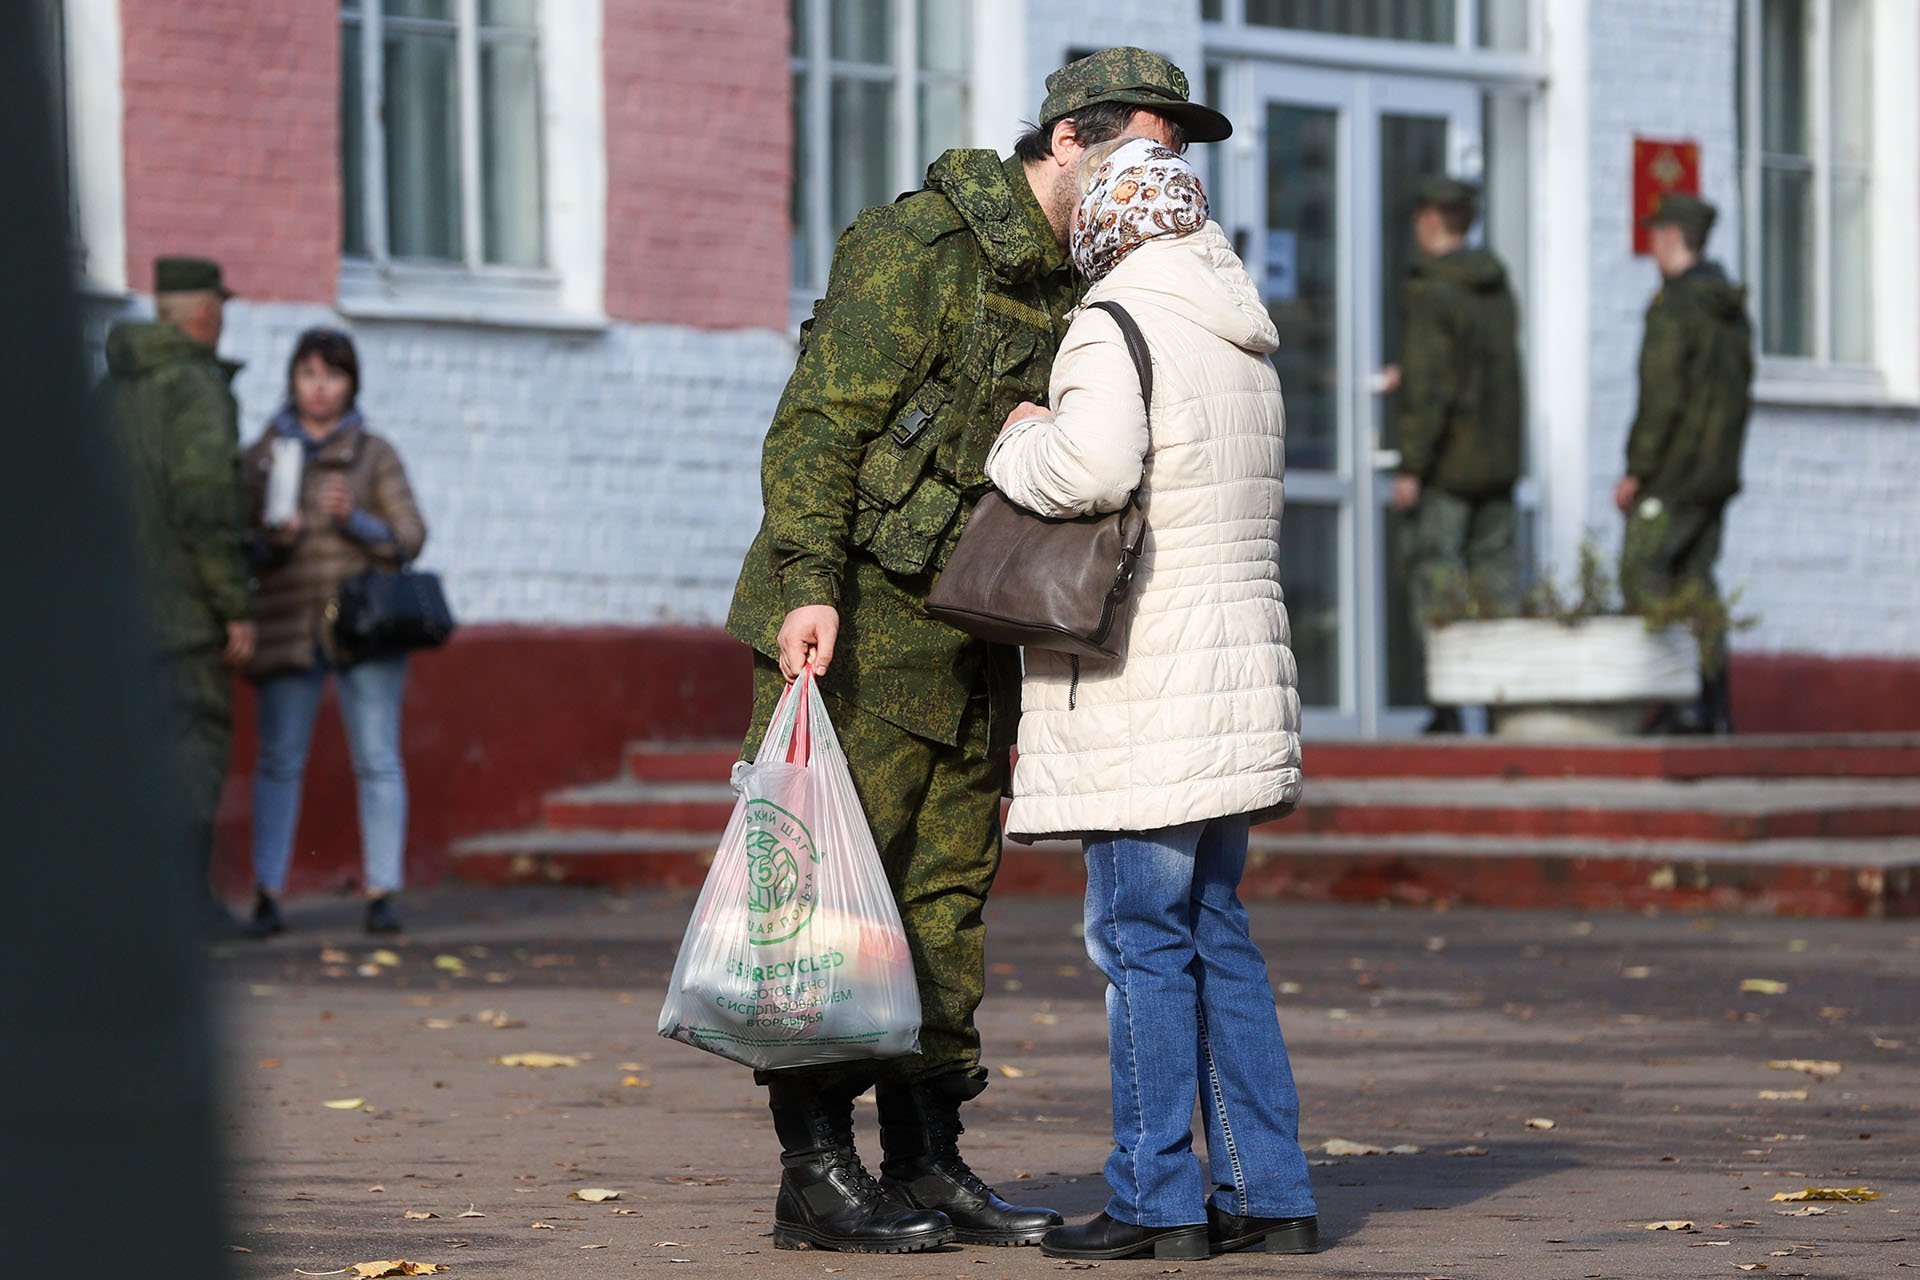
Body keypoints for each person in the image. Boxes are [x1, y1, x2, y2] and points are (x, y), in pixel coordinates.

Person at [723, 47, 1231, 1256]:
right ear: (1069, 140)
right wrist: (806, 585)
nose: (1161, 173)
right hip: (850, 631)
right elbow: (815, 428)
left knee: (943, 907)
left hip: (969, 640)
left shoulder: (1091, 280)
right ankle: (815, 1168)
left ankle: (929, 1157)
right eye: (1144, 146)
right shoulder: (919, 248)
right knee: (824, 910)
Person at [985, 137, 1318, 1262]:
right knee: (1217, 933)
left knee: (1140, 940)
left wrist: (1017, 440)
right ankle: (1271, 1192)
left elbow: (1091, 472)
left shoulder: (1115, 321)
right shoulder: (1242, 332)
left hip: (1145, 679)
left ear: (1107, 225)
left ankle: (1153, 1200)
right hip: (1234, 674)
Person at [241, 328, 426, 936]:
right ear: (293, 381)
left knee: (376, 760)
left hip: (363, 628)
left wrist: (359, 521)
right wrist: (273, 539)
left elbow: (411, 536)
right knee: (278, 762)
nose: (319, 388)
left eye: (333, 375)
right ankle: (267, 892)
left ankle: (382, 892)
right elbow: (236, 548)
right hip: (287, 624)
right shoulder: (263, 455)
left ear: (352, 384)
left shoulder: (374, 453)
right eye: (308, 374)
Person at [100, 255, 255, 935]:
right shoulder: (194, 388)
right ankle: (186, 909)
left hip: (118, 614)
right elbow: (206, 507)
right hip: (186, 614)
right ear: (206, 313)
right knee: (195, 748)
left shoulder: (111, 389)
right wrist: (235, 607)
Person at [1379, 176, 1524, 734]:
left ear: (1431, 221)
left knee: (1436, 579)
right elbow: (1479, 370)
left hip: (1448, 466)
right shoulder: (1494, 283)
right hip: (1497, 460)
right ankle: (1500, 704)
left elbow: (1437, 385)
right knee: (1496, 585)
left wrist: (1413, 464)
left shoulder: (1433, 288)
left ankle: (1447, 703)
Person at [1614, 193, 1754, 734]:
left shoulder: (1676, 306)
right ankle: (1716, 706)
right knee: (1697, 583)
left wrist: (1637, 469)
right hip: (1716, 473)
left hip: (1673, 475)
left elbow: (1662, 396)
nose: (1651, 245)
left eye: (1655, 234)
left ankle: (1681, 700)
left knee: (1642, 571)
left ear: (1673, 238)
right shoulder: (1728, 306)